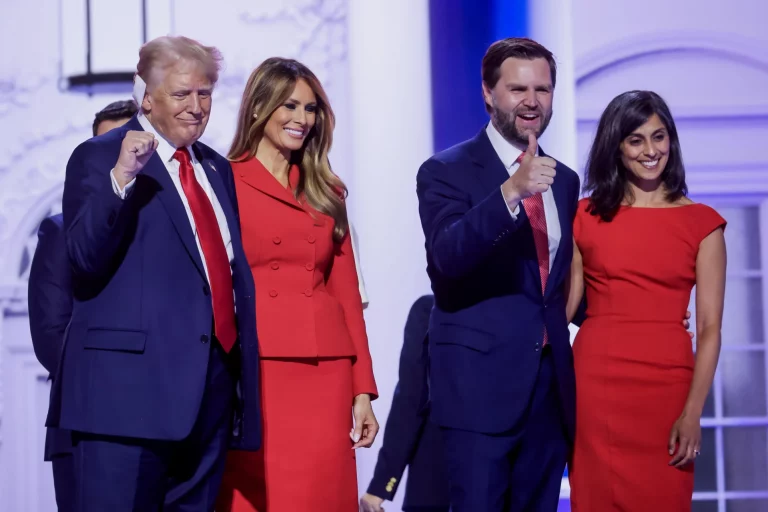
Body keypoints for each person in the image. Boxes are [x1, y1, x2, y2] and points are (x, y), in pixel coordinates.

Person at [48, 35, 261, 511]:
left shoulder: (216, 169)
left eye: (204, 93)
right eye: (182, 94)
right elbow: (82, 256)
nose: (196, 107)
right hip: (125, 404)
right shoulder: (99, 156)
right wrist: (121, 178)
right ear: (147, 96)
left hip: (207, 400)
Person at [416, 37, 580, 511]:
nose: (532, 101)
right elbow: (448, 257)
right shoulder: (444, 170)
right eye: (518, 89)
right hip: (477, 393)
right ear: (488, 93)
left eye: (543, 90)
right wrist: (511, 190)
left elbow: (557, 284)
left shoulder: (564, 180)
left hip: (548, 393)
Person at [215, 57, 378, 512]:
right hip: (256, 367)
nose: (302, 119)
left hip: (324, 370)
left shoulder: (326, 189)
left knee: (320, 495)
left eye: (310, 109)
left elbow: (346, 297)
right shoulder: (222, 180)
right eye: (289, 106)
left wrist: (362, 391)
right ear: (257, 108)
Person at [566, 90, 726, 510]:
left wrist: (693, 412)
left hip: (669, 385)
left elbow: (710, 328)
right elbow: (562, 308)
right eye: (636, 140)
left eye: (659, 137)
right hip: (596, 385)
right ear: (616, 148)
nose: (651, 150)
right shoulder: (584, 216)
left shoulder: (703, 224)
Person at [27, 99, 139, 512]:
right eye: (105, 147)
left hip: (166, 424)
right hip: (83, 421)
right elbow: (49, 333)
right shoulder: (59, 230)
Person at [361, 294, 451, 512]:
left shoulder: (432, 310)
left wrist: (380, 485)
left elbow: (411, 400)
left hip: (435, 477)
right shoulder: (528, 318)